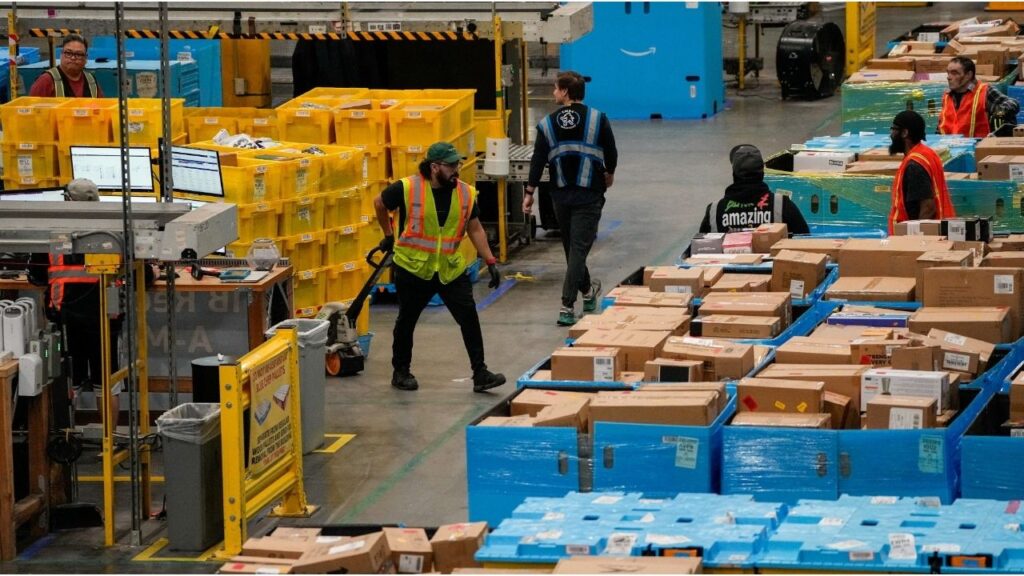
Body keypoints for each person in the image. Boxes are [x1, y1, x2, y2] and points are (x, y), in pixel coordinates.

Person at [373, 141, 506, 393]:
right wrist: (389, 234)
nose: (457, 169)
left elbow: (474, 227)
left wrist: (490, 260)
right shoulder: (408, 187)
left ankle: (480, 373)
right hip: (413, 268)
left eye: (458, 163)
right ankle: (401, 372)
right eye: (451, 165)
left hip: (449, 269)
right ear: (434, 167)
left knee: (469, 318)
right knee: (407, 321)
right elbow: (379, 203)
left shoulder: (465, 193)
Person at [524, 71, 617, 327]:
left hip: (560, 195)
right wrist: (610, 173)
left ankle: (587, 293)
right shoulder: (598, 119)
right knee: (576, 250)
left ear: (565, 91)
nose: (553, 92)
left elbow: (538, 159)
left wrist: (529, 192)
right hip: (589, 194)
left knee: (572, 248)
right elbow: (611, 151)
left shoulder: (547, 124)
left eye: (555, 88)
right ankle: (567, 305)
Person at [28, 179, 123, 420]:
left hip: (65, 318)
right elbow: (133, 271)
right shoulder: (112, 233)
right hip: (105, 318)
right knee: (107, 383)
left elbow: (37, 276)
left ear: (68, 201)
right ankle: (109, 445)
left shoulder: (52, 233)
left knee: (66, 381)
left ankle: (66, 439)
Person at [699, 144, 810, 235]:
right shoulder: (782, 205)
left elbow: (696, 251)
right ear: (762, 173)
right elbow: (805, 241)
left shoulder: (715, 210)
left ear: (734, 173)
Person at [889, 110, 956, 233]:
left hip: (920, 240)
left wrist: (917, 239)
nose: (891, 134)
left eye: (894, 129)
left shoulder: (914, 165)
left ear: (904, 133)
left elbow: (928, 208)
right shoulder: (927, 153)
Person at [939, 55, 1018, 138]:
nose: (948, 77)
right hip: (950, 147)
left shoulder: (984, 91)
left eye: (955, 73)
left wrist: (1000, 113)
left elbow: (1012, 103)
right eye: (948, 73)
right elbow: (941, 125)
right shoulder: (947, 96)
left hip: (980, 148)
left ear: (968, 75)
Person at [29, 33, 103, 98]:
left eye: (78, 54)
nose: (73, 58)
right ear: (61, 54)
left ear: (86, 58)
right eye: (68, 53)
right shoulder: (46, 81)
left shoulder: (92, 81)